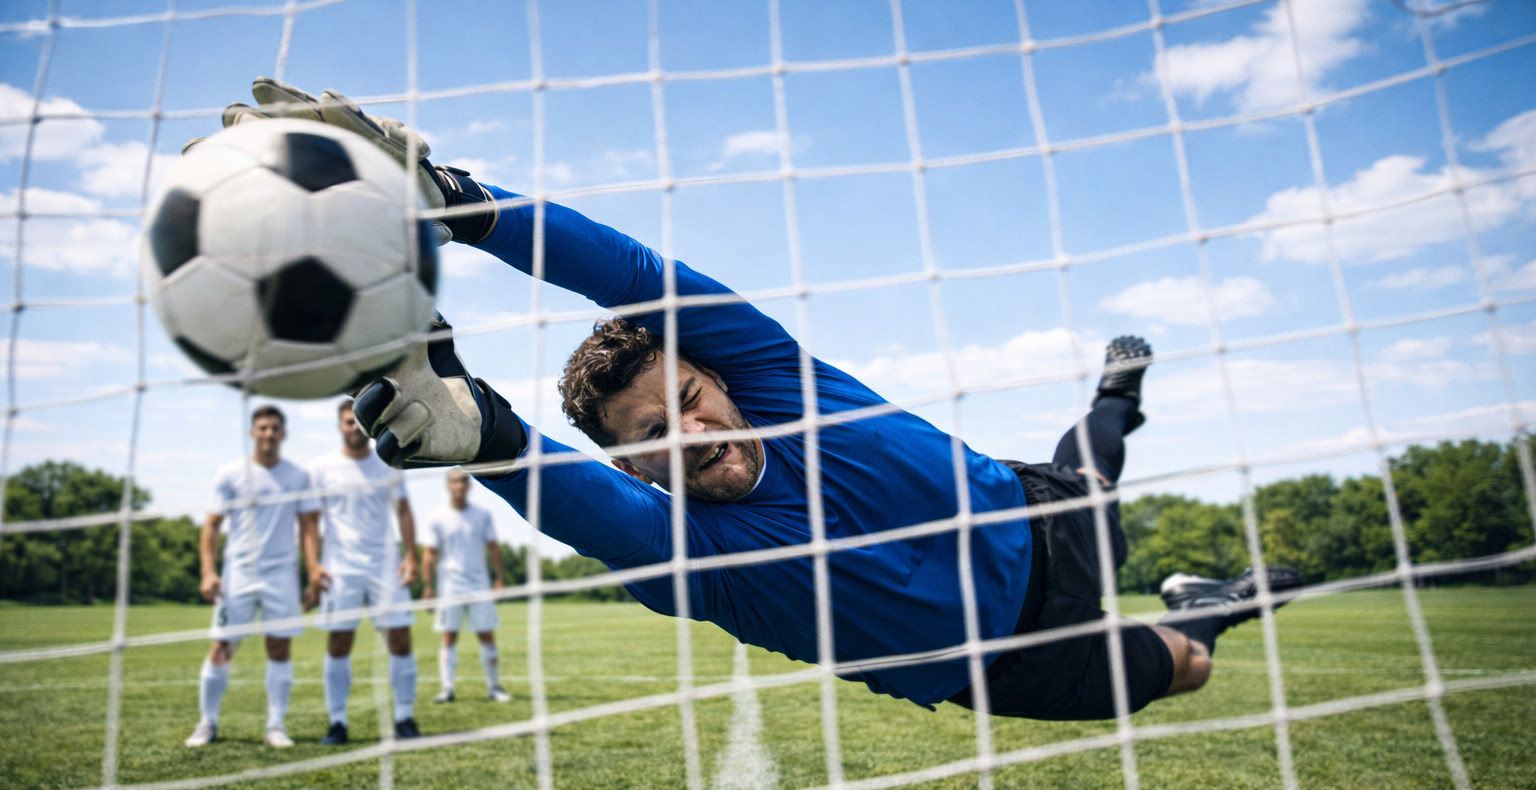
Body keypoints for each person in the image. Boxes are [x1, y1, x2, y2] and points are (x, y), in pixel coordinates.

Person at [230, 80, 1302, 720]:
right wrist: (489, 439)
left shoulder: (780, 377)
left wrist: (462, 203)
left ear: (719, 375)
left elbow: (633, 268)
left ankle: (1118, 388)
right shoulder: (687, 554)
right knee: (1189, 665)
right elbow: (557, 487)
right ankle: (1206, 605)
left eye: (690, 397)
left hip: (1042, 520)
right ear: (635, 467)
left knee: (1100, 457)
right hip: (998, 667)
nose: (690, 430)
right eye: (653, 435)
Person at [186, 405, 320, 748]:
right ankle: (207, 723)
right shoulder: (230, 474)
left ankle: (276, 725)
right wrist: (208, 571)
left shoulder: (298, 475)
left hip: (282, 573)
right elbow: (212, 526)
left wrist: (314, 570)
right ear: (252, 432)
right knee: (221, 647)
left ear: (283, 434)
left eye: (275, 428)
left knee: (279, 647)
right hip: (238, 574)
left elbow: (308, 526)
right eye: (262, 428)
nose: (269, 434)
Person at [304, 398, 422, 743]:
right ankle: (337, 723)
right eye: (346, 422)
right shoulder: (320, 469)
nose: (353, 428)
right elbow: (310, 522)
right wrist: (312, 564)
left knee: (400, 638)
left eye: (357, 422)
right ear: (339, 426)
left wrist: (411, 555)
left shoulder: (387, 462)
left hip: (385, 563)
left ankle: (404, 718)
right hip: (339, 567)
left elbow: (403, 511)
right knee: (339, 641)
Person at [422, 470, 510, 704]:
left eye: (463, 481)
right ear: (448, 485)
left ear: (468, 485)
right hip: (449, 584)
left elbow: (493, 548)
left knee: (486, 636)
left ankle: (494, 687)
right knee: (448, 637)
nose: (459, 485)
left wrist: (499, 579)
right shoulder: (437, 517)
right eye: (455, 481)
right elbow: (429, 554)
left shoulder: (481, 515)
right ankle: (447, 688)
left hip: (479, 583)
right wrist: (428, 586)